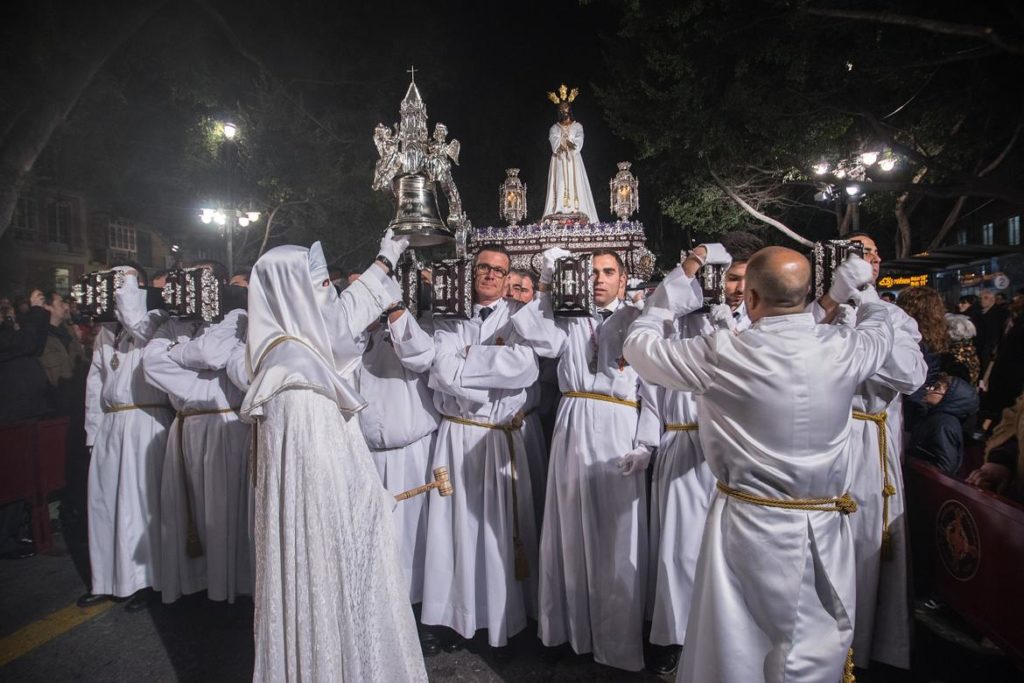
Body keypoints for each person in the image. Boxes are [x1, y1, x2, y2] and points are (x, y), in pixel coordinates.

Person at [624, 246, 893, 683]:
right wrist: (859, 291)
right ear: (809, 293)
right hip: (824, 525)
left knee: (739, 646)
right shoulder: (845, 349)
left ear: (749, 299)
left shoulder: (723, 353)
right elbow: (881, 328)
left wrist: (670, 294)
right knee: (811, 644)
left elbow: (639, 347)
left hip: (747, 524)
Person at [241, 235, 426, 682]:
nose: (331, 298)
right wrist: (374, 499)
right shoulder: (298, 380)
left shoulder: (296, 353)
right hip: (325, 541)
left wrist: (388, 256)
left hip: (326, 528)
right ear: (295, 297)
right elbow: (323, 489)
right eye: (320, 287)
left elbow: (342, 318)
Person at [511, 247, 655, 671]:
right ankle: (567, 631)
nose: (598, 278)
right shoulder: (569, 318)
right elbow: (534, 333)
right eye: (591, 271)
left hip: (618, 428)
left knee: (617, 535)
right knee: (568, 527)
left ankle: (617, 642)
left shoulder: (638, 321)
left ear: (623, 280)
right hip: (573, 423)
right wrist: (547, 284)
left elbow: (655, 389)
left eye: (608, 271)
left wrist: (646, 443)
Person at [420, 243, 542, 656]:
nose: (490, 275)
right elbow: (441, 372)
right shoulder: (448, 318)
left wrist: (469, 360)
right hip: (456, 437)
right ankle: (451, 617)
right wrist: (492, 363)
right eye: (483, 268)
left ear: (510, 278)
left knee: (500, 529)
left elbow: (525, 368)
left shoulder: (522, 317)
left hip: (498, 438)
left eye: (499, 270)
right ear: (471, 273)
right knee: (453, 529)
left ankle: (509, 617)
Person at [645, 238, 755, 675]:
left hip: (736, 452)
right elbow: (656, 312)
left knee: (731, 550)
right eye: (729, 278)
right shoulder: (684, 319)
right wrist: (692, 264)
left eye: (744, 280)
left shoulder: (759, 326)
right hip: (686, 439)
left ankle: (730, 636)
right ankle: (675, 634)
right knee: (679, 547)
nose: (734, 288)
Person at [817, 233, 927, 670]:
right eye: (864, 251)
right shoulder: (819, 314)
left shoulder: (895, 316)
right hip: (827, 440)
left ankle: (872, 646)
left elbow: (910, 374)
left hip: (871, 442)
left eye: (876, 252)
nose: (875, 258)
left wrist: (869, 312)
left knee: (869, 543)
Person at [142, 265, 252, 604]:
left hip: (225, 427)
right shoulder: (172, 323)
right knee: (188, 510)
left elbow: (211, 353)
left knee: (224, 509)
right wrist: (195, 378)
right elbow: (152, 366)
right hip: (187, 424)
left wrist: (179, 355)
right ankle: (195, 584)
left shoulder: (237, 315)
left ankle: (232, 588)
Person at [79, 266, 175, 611]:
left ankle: (146, 581)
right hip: (113, 424)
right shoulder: (107, 332)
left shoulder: (156, 319)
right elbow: (95, 383)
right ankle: (106, 578)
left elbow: (137, 322)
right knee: (104, 504)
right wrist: (93, 432)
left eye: (123, 285)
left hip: (146, 419)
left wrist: (127, 280)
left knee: (140, 503)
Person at [352, 302, 439, 635]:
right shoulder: (356, 339)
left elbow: (421, 356)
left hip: (412, 455)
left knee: (415, 542)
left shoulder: (417, 328)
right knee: (377, 543)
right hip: (367, 456)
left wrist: (395, 315)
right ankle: (378, 617)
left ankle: (420, 617)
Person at [542, 87, 598, 223]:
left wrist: (568, 144)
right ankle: (558, 208)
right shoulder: (554, 128)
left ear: (569, 109)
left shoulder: (577, 126)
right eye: (561, 108)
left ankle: (576, 209)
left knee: (576, 182)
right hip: (559, 160)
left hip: (573, 159)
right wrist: (564, 143)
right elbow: (554, 142)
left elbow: (579, 141)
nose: (563, 110)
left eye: (566, 107)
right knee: (560, 181)